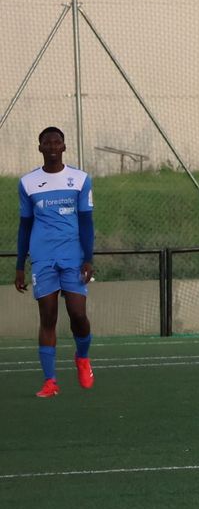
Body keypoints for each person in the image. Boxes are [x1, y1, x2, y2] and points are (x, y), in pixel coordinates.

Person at [15, 126, 95, 398]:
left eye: (56, 142)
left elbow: (86, 222)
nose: (51, 146)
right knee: (47, 317)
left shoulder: (80, 179)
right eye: (46, 143)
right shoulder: (27, 183)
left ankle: (82, 358)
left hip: (72, 256)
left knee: (78, 315)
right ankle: (50, 381)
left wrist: (88, 257)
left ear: (64, 146)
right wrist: (19, 265)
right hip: (42, 258)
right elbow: (25, 226)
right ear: (40, 148)